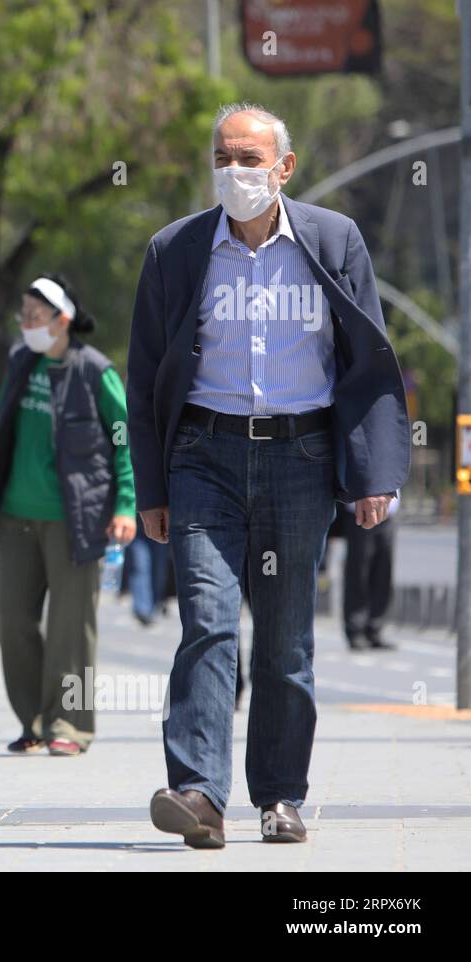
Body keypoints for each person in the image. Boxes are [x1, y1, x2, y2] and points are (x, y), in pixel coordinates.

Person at [127, 103, 410, 848]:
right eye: (223, 158)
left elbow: (367, 359)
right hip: (202, 460)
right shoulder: (175, 249)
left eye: (250, 160)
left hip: (301, 457)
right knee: (208, 625)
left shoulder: (331, 240)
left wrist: (374, 471)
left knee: (285, 643)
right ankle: (198, 795)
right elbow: (146, 375)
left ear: (285, 168)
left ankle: (280, 796)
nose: (235, 172)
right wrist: (150, 487)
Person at [0, 273, 137, 758]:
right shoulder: (21, 363)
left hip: (75, 521)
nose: (26, 323)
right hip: (15, 518)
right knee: (16, 624)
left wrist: (126, 503)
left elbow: (124, 442)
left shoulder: (94, 371)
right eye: (23, 315)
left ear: (63, 320)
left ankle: (71, 724)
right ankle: (34, 721)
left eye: (35, 316)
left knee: (70, 627)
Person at [343, 498, 397, 651]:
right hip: (360, 508)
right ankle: (356, 629)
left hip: (388, 512)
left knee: (383, 573)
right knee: (359, 572)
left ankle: (375, 628)